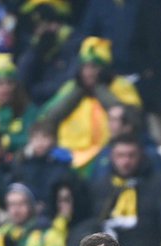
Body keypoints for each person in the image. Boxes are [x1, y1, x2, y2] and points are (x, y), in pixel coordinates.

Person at [38, 36, 141, 172]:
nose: (88, 72)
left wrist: (100, 90)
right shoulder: (71, 87)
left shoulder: (120, 86)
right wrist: (77, 93)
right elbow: (48, 116)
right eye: (84, 67)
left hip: (106, 155)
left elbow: (132, 117)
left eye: (94, 67)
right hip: (69, 155)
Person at [90, 133, 161, 246]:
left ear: (140, 155)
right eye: (120, 155)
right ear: (112, 157)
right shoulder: (100, 187)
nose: (126, 161)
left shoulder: (157, 184)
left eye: (131, 155)